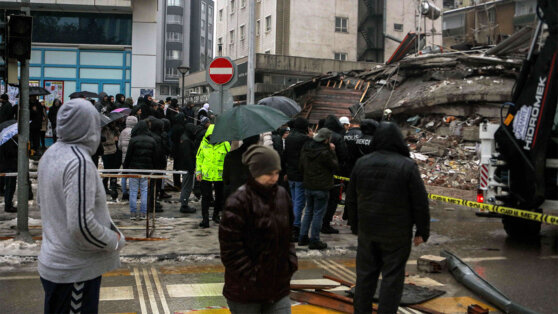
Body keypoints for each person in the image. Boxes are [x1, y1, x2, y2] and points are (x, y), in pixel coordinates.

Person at [37, 98, 125, 313]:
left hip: (55, 263)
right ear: (89, 126)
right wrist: (114, 240)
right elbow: (82, 226)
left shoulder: (50, 154)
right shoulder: (79, 162)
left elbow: (42, 203)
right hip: (75, 270)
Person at [346, 122, 430, 314]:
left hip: (368, 230)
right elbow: (420, 202)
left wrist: (355, 225)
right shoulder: (407, 166)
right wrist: (422, 231)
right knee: (392, 278)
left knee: (365, 277)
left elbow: (351, 198)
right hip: (397, 233)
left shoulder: (362, 163)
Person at [219, 145, 297, 314]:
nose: (274, 178)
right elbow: (230, 251)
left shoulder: (282, 195)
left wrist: (290, 262)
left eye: (277, 172)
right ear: (255, 173)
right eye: (269, 174)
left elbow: (288, 235)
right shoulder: (238, 202)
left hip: (278, 287)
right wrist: (255, 276)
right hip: (246, 291)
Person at [298, 128, 338, 250]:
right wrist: (333, 151)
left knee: (308, 211)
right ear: (326, 140)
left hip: (308, 184)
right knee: (318, 213)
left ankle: (303, 236)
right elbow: (334, 165)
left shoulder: (306, 148)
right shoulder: (326, 152)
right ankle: (314, 240)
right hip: (322, 186)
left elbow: (301, 166)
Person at [196, 124, 230, 228]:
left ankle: (216, 215)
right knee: (205, 197)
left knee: (219, 197)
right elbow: (199, 158)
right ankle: (205, 219)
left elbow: (229, 159)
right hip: (206, 175)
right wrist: (198, 172)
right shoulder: (203, 144)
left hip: (220, 176)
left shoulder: (225, 144)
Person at [123, 120, 159, 220]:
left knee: (133, 191)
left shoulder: (133, 140)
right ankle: (143, 213)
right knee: (144, 191)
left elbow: (128, 156)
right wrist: (155, 169)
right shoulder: (152, 140)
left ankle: (133, 213)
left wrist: (125, 169)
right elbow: (155, 157)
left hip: (134, 169)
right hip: (147, 170)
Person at [284, 117, 311, 242]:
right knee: (299, 202)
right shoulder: (304, 139)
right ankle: (295, 227)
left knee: (294, 200)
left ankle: (291, 225)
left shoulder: (289, 137)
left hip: (290, 173)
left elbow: (286, 155)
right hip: (300, 174)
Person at [322, 115, 349, 234]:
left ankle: (319, 222)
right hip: (335, 173)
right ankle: (326, 224)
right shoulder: (338, 137)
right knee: (332, 200)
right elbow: (343, 156)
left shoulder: (319, 135)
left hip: (320, 173)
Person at [222, 135, 260, 199]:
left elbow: (226, 179)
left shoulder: (230, 156)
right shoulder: (259, 158)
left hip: (235, 194)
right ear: (256, 142)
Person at [118, 116, 138, 200]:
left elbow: (119, 145)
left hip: (124, 157)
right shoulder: (135, 132)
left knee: (124, 175)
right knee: (132, 176)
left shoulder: (123, 132)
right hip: (132, 158)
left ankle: (124, 192)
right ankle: (131, 192)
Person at [101, 123, 121, 200]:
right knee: (106, 169)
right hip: (106, 152)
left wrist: (117, 133)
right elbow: (104, 140)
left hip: (113, 151)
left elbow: (118, 136)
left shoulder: (114, 130)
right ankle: (104, 185)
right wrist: (113, 140)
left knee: (113, 169)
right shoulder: (105, 130)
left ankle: (112, 186)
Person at [0, 131, 18, 213]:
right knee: (10, 187)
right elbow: (10, 153)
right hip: (9, 167)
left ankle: (8, 204)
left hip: (6, 166)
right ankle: (8, 205)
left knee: (9, 186)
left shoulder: (6, 140)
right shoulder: (9, 142)